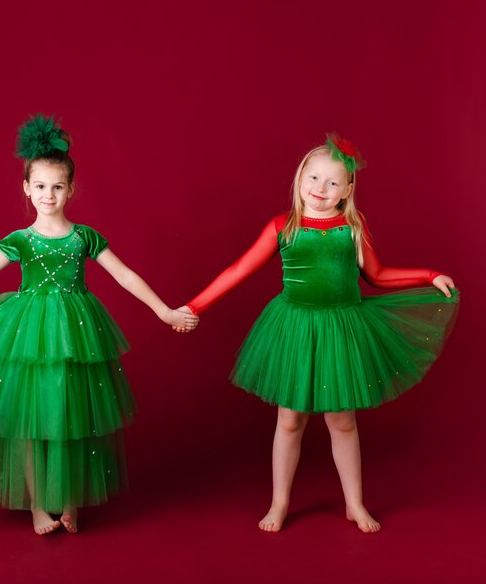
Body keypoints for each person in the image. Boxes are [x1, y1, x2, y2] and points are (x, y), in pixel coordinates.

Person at [0, 114, 198, 535]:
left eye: (57, 186)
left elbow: (125, 275)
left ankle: (71, 500)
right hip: (27, 335)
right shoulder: (21, 241)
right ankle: (38, 505)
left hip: (77, 335)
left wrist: (165, 311)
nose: (48, 194)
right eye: (39, 186)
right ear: (26, 188)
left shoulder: (84, 238)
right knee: (28, 419)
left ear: (70, 189)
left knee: (70, 413)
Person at [175, 134, 458, 533]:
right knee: (289, 420)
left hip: (342, 328)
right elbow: (238, 271)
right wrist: (194, 306)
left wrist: (429, 275)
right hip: (295, 328)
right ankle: (279, 503)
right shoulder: (283, 227)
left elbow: (377, 276)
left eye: (331, 183)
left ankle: (355, 504)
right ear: (299, 179)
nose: (319, 190)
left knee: (342, 421)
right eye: (312, 178)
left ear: (347, 191)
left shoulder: (352, 228)